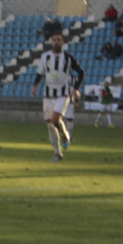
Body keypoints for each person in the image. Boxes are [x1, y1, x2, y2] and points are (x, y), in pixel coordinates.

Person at [30, 31, 84, 162]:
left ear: (63, 42)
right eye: (54, 40)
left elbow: (81, 73)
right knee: (50, 125)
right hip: (48, 95)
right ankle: (57, 153)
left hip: (63, 94)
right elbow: (40, 73)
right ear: (51, 42)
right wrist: (35, 85)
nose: (56, 42)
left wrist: (76, 89)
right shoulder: (45, 57)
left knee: (55, 119)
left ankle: (65, 135)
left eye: (59, 40)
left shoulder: (68, 58)